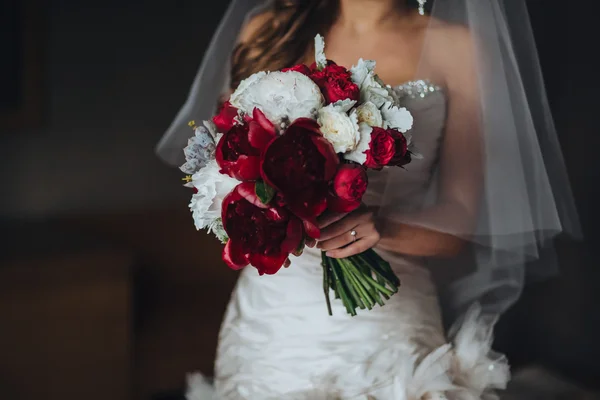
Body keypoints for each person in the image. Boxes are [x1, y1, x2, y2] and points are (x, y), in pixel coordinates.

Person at [156, 0, 580, 399]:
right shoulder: (269, 30)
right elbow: (229, 156)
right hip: (271, 321)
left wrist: (383, 225)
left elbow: (460, 220)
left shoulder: (459, 49)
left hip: (385, 320)